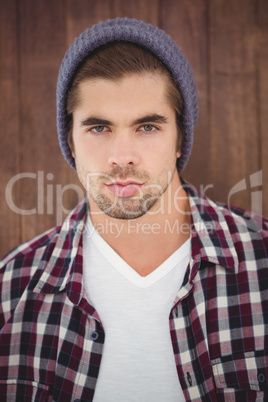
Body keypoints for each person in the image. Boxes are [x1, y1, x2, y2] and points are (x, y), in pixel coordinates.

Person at [0, 17, 267, 402]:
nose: (122, 157)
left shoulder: (261, 262)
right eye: (98, 128)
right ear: (70, 143)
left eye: (147, 127)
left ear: (180, 138)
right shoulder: (12, 293)